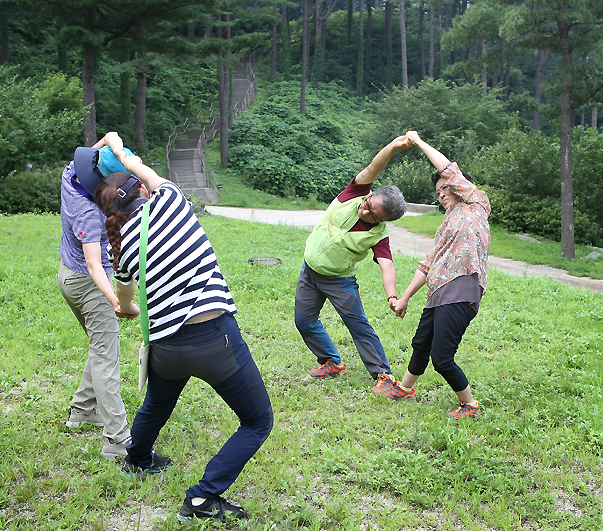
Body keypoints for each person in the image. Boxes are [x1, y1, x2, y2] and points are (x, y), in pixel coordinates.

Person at [94, 154, 274, 523]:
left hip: (165, 348)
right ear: (142, 189)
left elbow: (125, 301)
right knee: (258, 421)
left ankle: (137, 459)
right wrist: (119, 147)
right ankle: (202, 498)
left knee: (157, 403)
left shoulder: (122, 244)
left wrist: (127, 309)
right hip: (214, 341)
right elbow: (146, 170)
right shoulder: (172, 203)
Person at [373, 131, 490, 420]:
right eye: (438, 192)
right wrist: (404, 298)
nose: (441, 194)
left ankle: (470, 405)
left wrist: (419, 141)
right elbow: (428, 263)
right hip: (437, 293)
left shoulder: (476, 205)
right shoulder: (446, 224)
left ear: (459, 187)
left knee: (442, 357)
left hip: (461, 289)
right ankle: (404, 388)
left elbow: (447, 170)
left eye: (445, 188)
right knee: (421, 344)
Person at [295, 135, 411, 395]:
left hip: (338, 280)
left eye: (373, 214)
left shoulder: (378, 235)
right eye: (368, 205)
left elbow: (387, 265)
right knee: (304, 321)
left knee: (358, 325)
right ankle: (332, 362)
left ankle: (383, 376)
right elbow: (374, 168)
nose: (365, 211)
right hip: (310, 271)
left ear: (383, 221)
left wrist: (392, 296)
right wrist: (392, 146)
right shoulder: (354, 194)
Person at [58, 132, 139, 458]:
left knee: (99, 343)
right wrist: (118, 302)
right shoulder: (89, 216)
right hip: (88, 284)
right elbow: (95, 267)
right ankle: (118, 442)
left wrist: (116, 151)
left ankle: (81, 411)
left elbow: (109, 137)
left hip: (66, 275)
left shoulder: (72, 173)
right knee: (107, 356)